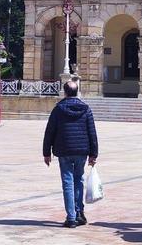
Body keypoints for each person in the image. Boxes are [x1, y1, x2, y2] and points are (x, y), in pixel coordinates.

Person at [42, 79, 99, 228]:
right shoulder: (86, 109)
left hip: (64, 150)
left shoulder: (58, 109)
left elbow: (49, 132)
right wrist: (93, 154)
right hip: (81, 150)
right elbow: (92, 132)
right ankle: (79, 213)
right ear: (77, 92)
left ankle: (71, 217)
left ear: (65, 93)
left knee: (68, 182)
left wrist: (46, 153)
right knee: (79, 180)